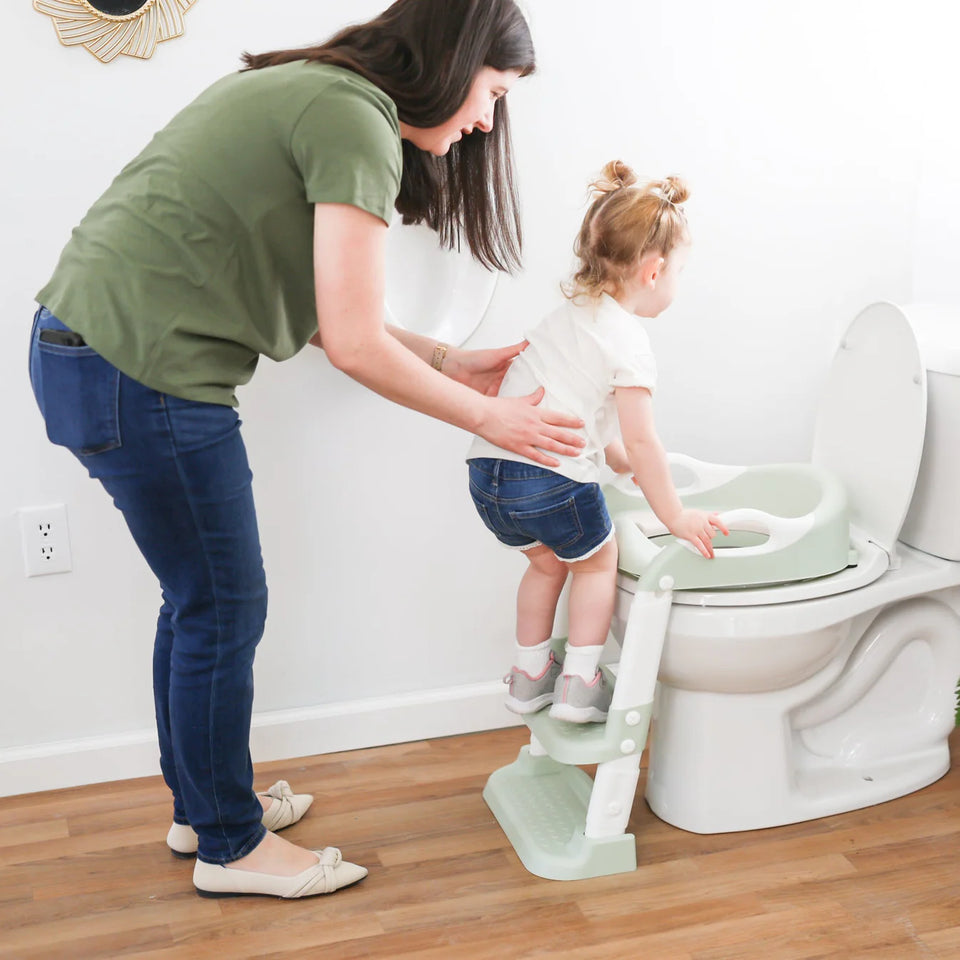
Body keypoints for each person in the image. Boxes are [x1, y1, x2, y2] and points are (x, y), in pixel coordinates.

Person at [27, 0, 587, 900]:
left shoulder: (321, 95)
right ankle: (231, 847)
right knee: (221, 604)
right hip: (142, 368)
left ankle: (205, 807)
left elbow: (335, 316)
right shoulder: (350, 118)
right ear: (453, 61)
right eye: (493, 91)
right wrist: (492, 421)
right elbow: (358, 345)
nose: (489, 119)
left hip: (96, 352)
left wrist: (449, 359)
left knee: (199, 598)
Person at [467, 160, 728, 723]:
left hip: (488, 474)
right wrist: (675, 514)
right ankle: (581, 684)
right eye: (680, 270)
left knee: (544, 566)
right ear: (654, 271)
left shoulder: (571, 315)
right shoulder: (630, 341)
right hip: (546, 479)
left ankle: (528, 675)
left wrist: (611, 460)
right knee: (596, 562)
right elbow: (643, 438)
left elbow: (579, 412)